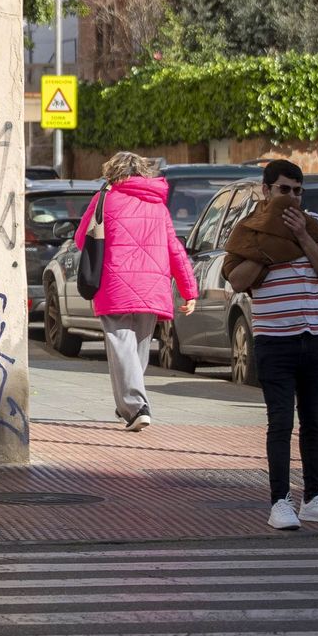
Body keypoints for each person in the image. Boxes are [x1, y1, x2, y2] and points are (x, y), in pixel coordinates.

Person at [226, 160, 318, 531]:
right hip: (274, 338)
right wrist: (269, 249)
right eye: (283, 190)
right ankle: (280, 501)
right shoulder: (249, 231)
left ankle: (314, 498)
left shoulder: (315, 225)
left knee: (314, 423)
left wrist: (302, 239)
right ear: (266, 191)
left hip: (316, 335)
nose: (291, 197)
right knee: (281, 422)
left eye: (297, 191)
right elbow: (237, 280)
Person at [74, 151, 198, 431]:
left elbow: (82, 239)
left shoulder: (104, 199)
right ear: (143, 172)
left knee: (121, 345)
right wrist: (189, 289)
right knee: (138, 349)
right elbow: (175, 249)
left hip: (114, 285)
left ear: (112, 171)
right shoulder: (158, 205)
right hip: (152, 287)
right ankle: (128, 406)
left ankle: (135, 406)